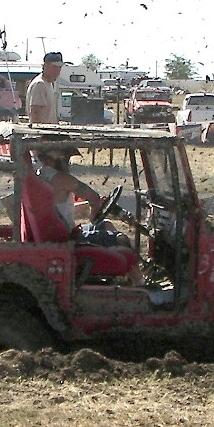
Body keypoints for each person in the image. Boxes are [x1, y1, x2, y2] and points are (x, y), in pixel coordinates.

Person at [34, 146, 144, 284]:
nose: (66, 162)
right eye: (65, 158)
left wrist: (87, 206)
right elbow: (94, 197)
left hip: (58, 235)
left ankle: (127, 279)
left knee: (107, 225)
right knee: (122, 239)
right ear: (53, 158)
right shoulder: (61, 178)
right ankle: (142, 285)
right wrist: (93, 215)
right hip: (68, 240)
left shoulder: (39, 177)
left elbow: (60, 210)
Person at [26, 51, 63, 124]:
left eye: (59, 67)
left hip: (49, 132)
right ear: (45, 66)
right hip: (41, 133)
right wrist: (38, 133)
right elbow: (35, 113)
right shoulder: (40, 84)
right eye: (55, 67)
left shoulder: (49, 84)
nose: (58, 71)